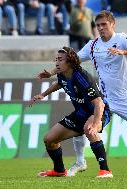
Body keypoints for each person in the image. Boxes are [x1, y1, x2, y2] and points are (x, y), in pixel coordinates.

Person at [38, 10, 127, 177]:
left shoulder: (122, 39)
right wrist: (52, 72)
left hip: (126, 99)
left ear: (113, 24)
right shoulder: (93, 45)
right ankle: (81, 162)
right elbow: (71, 59)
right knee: (85, 122)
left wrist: (123, 52)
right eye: (98, 25)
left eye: (104, 24)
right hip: (103, 98)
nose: (101, 28)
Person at [30, 46, 113, 178]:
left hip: (99, 111)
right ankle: (59, 170)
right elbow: (60, 83)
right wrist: (43, 94)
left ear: (70, 61)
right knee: (49, 139)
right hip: (80, 114)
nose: (57, 63)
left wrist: (96, 123)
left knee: (89, 128)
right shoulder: (62, 74)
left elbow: (99, 103)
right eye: (56, 59)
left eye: (60, 60)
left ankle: (105, 170)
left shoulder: (82, 77)